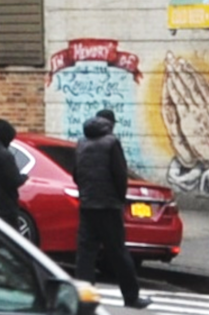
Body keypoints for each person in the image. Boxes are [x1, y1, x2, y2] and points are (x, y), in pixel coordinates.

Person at [73, 109, 151, 310]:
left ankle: (84, 299)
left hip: (87, 205)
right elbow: (120, 175)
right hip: (108, 206)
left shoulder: (81, 143)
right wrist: (119, 198)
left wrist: (86, 193)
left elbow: (76, 174)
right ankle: (131, 297)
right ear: (109, 123)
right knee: (118, 252)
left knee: (85, 255)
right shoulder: (111, 143)